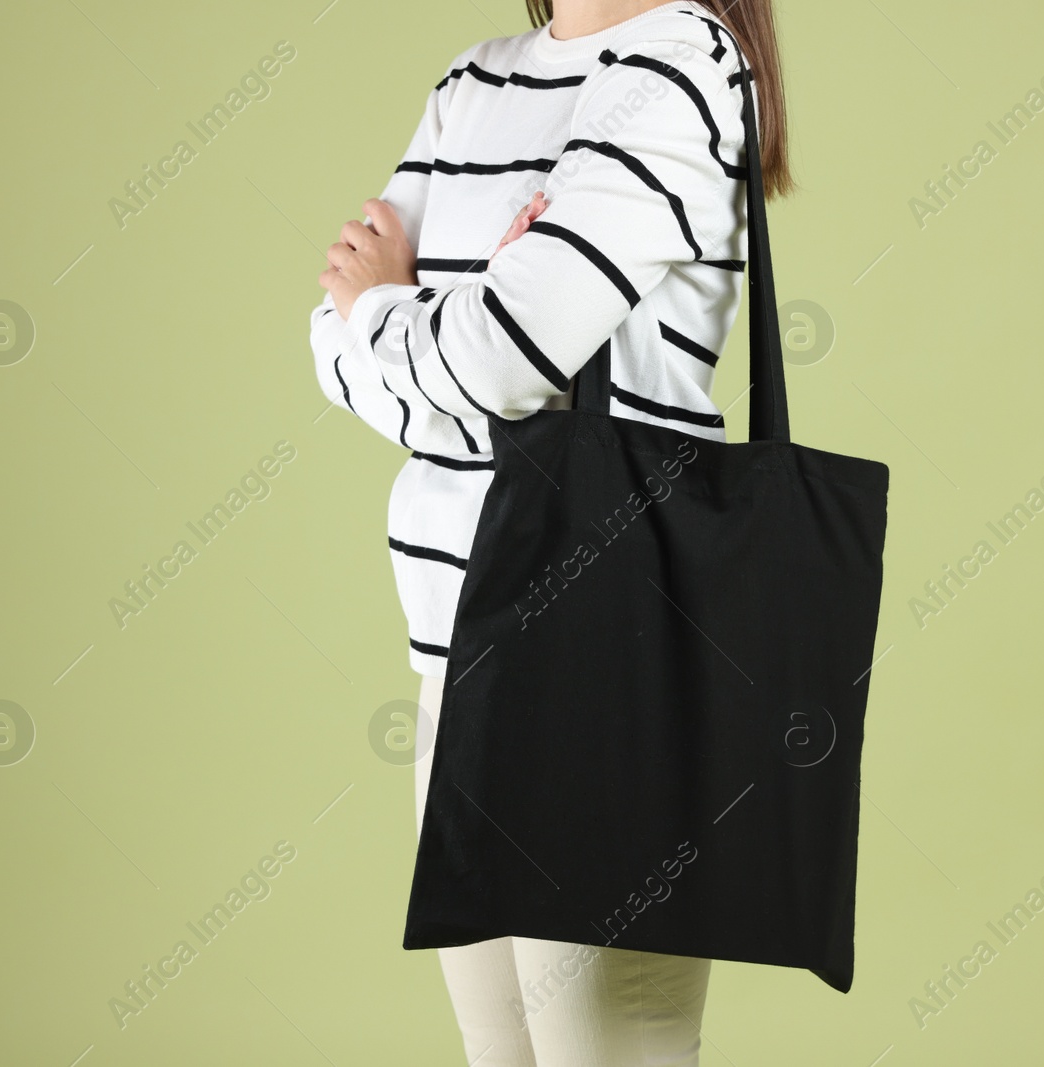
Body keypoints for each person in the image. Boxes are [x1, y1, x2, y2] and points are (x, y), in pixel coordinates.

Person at [308, 1, 791, 1062]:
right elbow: (330, 337)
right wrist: (437, 324)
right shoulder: (474, 83)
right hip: (451, 655)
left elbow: (494, 354)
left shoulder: (677, 67)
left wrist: (400, 312)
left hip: (606, 661)